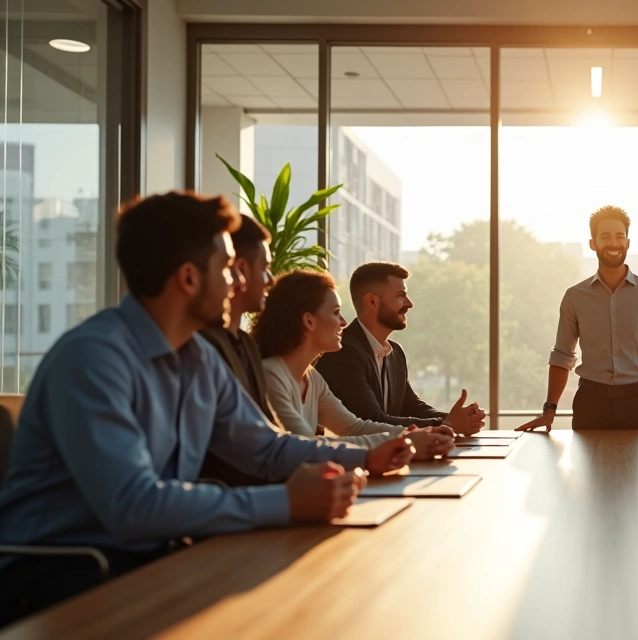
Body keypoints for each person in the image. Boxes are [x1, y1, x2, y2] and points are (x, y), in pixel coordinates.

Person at [0, 193, 412, 624]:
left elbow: (265, 449)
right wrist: (286, 503)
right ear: (189, 279)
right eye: (227, 269)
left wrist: (367, 456)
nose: (238, 282)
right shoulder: (94, 359)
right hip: (63, 577)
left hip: (152, 556)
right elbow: (133, 506)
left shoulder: (198, 357)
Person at [516, 205, 638, 431]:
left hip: (637, 403)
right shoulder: (574, 297)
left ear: (627, 243)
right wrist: (549, 410)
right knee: (587, 468)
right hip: (590, 403)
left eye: (620, 237)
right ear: (593, 243)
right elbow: (562, 356)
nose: (614, 243)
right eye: (605, 237)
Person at [255, 269, 455, 458]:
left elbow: (354, 427)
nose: (343, 322)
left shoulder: (312, 378)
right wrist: (405, 441)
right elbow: (306, 447)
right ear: (309, 321)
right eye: (335, 312)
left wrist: (421, 434)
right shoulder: (270, 375)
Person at [315, 262, 485, 436]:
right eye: (400, 295)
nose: (409, 304)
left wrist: (456, 418)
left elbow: (411, 406)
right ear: (372, 301)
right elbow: (372, 420)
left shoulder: (395, 352)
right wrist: (447, 424)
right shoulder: (343, 353)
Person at [197, 214, 279, 486]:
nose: (239, 281)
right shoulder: (201, 351)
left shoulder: (245, 345)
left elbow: (269, 439)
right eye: (228, 268)